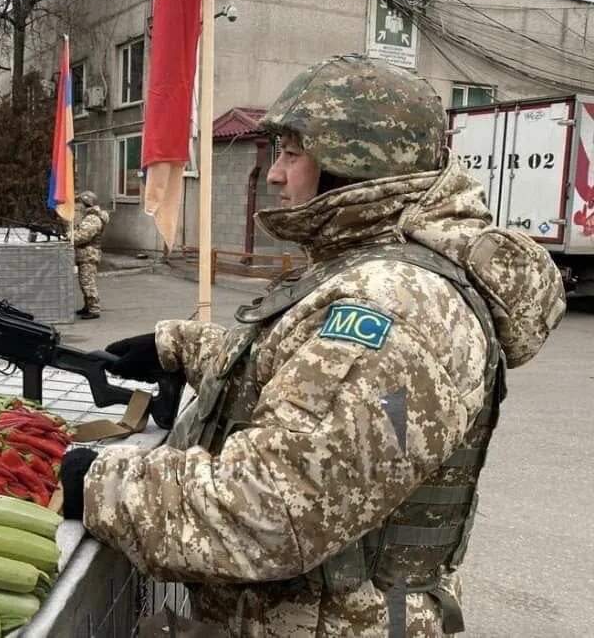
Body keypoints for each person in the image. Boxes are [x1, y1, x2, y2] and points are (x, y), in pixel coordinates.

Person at [59, 55, 565, 636]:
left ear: (352, 165)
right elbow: (303, 380)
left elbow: (274, 507)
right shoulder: (374, 266)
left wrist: (103, 484)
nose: (275, 174)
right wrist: (180, 346)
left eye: (292, 154)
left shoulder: (394, 305)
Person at [71, 190, 109, 320]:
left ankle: (94, 309)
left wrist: (70, 236)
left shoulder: (93, 218)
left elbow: (83, 236)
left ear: (87, 203)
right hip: (86, 254)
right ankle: (88, 306)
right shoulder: (89, 216)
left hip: (89, 254)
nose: (78, 206)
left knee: (88, 282)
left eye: (80, 203)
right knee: (84, 281)